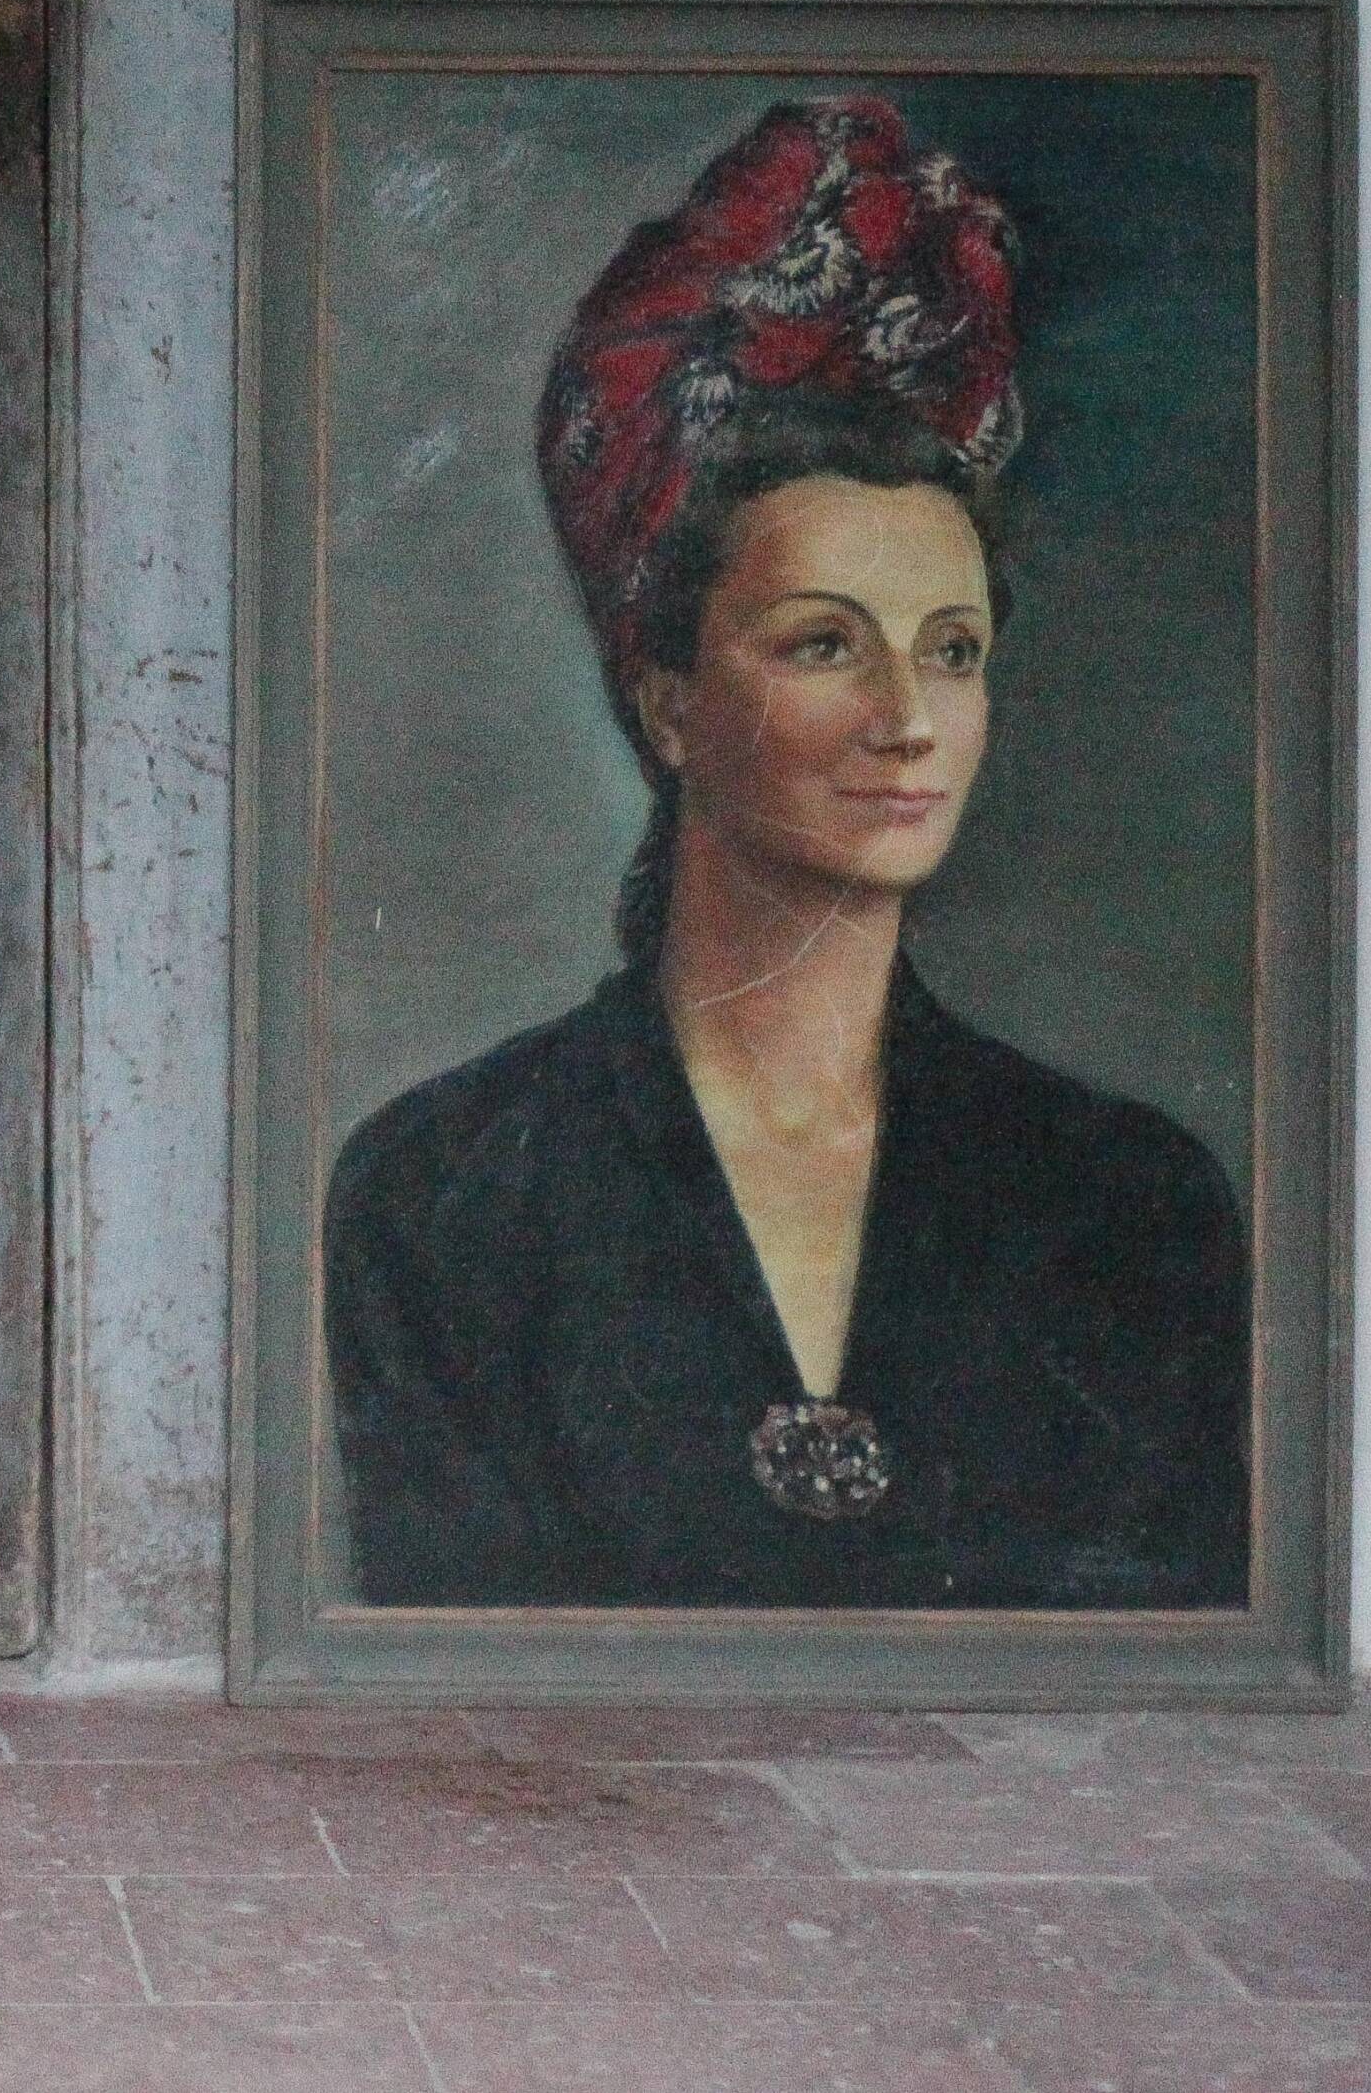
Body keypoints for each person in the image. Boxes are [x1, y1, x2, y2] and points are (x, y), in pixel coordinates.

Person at [324, 96, 1248, 1610]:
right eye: (825, 644)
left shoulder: (1132, 1201)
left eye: (953, 652)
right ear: (672, 701)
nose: (909, 721)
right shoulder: (441, 1193)